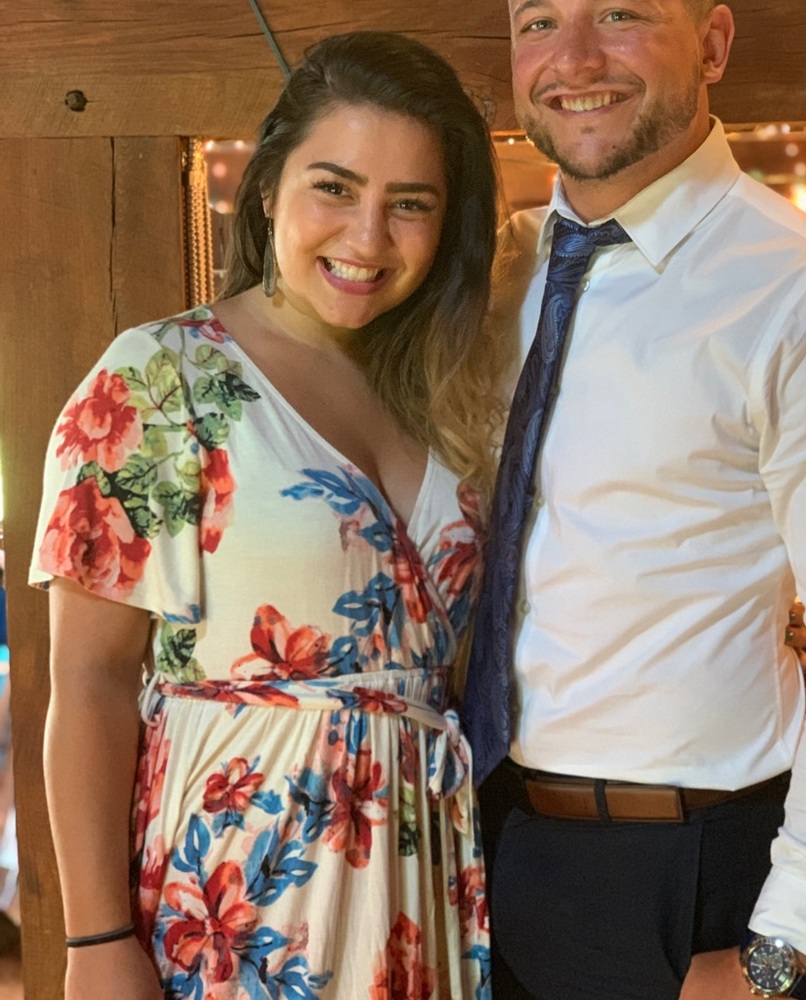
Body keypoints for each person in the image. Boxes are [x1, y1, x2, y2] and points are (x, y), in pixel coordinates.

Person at [463, 1, 806, 998]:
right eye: (538, 21)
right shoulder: (493, 274)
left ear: (715, 44)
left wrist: (783, 948)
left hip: (689, 880)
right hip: (484, 851)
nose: (573, 58)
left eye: (622, 13)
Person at [31, 31, 506, 1000]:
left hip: (423, 886)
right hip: (239, 889)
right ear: (264, 185)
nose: (367, 238)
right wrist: (95, 939)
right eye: (334, 187)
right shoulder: (165, 375)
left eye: (408, 204)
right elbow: (86, 675)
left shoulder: (451, 392)